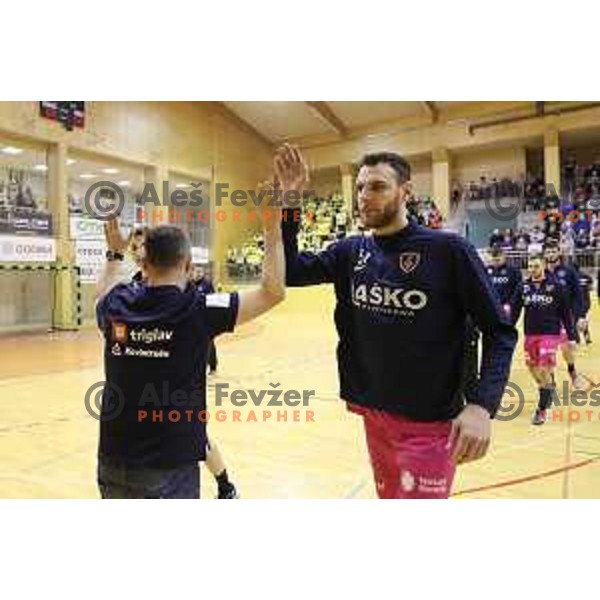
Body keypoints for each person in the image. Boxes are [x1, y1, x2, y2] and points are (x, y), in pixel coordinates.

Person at [280, 147, 517, 499]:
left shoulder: (449, 251)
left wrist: (482, 405)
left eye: (377, 187)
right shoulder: (350, 251)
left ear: (405, 192)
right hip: (374, 417)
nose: (364, 197)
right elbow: (291, 271)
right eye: (360, 188)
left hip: (432, 424)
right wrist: (289, 204)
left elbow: (499, 332)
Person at [94, 162, 289, 498]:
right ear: (187, 265)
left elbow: (103, 292)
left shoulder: (117, 303)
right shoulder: (199, 308)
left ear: (143, 264)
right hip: (169, 467)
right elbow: (273, 292)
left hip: (112, 461)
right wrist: (272, 228)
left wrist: (113, 253)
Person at [514, 255, 577, 425]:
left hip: (549, 334)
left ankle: (541, 410)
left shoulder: (556, 286)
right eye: (530, 266)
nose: (532, 269)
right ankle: (548, 389)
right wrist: (507, 330)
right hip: (530, 335)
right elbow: (514, 311)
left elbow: (566, 314)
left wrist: (571, 337)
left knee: (543, 370)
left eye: (536, 266)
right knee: (534, 370)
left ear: (543, 266)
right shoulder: (523, 286)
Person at [543, 241, 586, 389]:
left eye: (553, 251)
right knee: (548, 350)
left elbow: (579, 295)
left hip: (565, 317)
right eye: (548, 252)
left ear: (559, 252)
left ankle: (573, 373)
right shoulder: (541, 271)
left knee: (567, 348)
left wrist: (581, 316)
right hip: (547, 318)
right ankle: (551, 381)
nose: (550, 254)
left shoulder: (569, 271)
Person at [485, 246, 522, 324]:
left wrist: (510, 304)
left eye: (498, 260)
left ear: (503, 256)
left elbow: (518, 290)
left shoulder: (513, 271)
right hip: (491, 307)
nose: (496, 262)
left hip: (508, 307)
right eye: (493, 260)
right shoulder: (485, 271)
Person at [574, 264, 593, 344]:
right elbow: (591, 287)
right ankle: (587, 338)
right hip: (586, 302)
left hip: (576, 302)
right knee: (582, 319)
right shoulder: (586, 276)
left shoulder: (572, 277)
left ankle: (577, 338)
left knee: (574, 320)